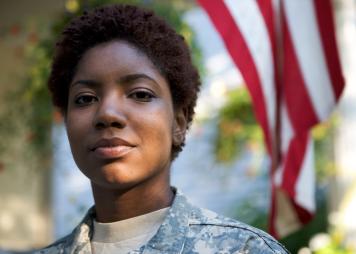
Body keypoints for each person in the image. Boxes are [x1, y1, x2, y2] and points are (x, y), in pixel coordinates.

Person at [35, 4, 289, 254]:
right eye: (85, 98)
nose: (107, 113)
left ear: (178, 122)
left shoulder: (246, 250)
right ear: (67, 122)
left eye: (140, 94)